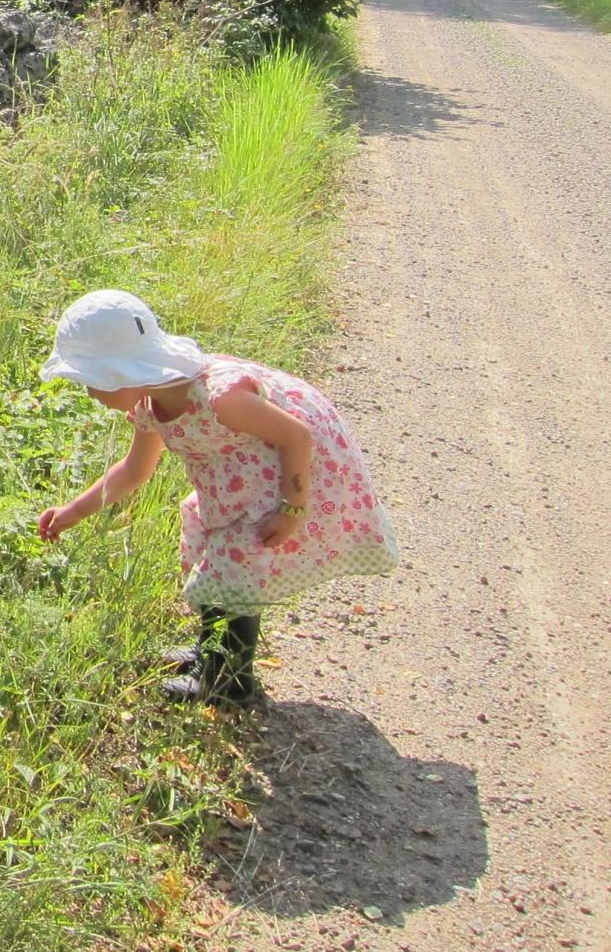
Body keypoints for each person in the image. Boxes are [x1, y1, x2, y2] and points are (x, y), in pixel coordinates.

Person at [34, 289, 398, 703]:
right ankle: (212, 653)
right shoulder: (151, 404)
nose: (90, 395)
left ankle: (231, 683)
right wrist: (72, 512)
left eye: (92, 383)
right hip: (235, 486)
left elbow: (297, 437)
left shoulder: (221, 398)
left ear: (125, 372)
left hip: (283, 478)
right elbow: (135, 471)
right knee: (215, 564)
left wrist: (292, 509)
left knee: (233, 573)